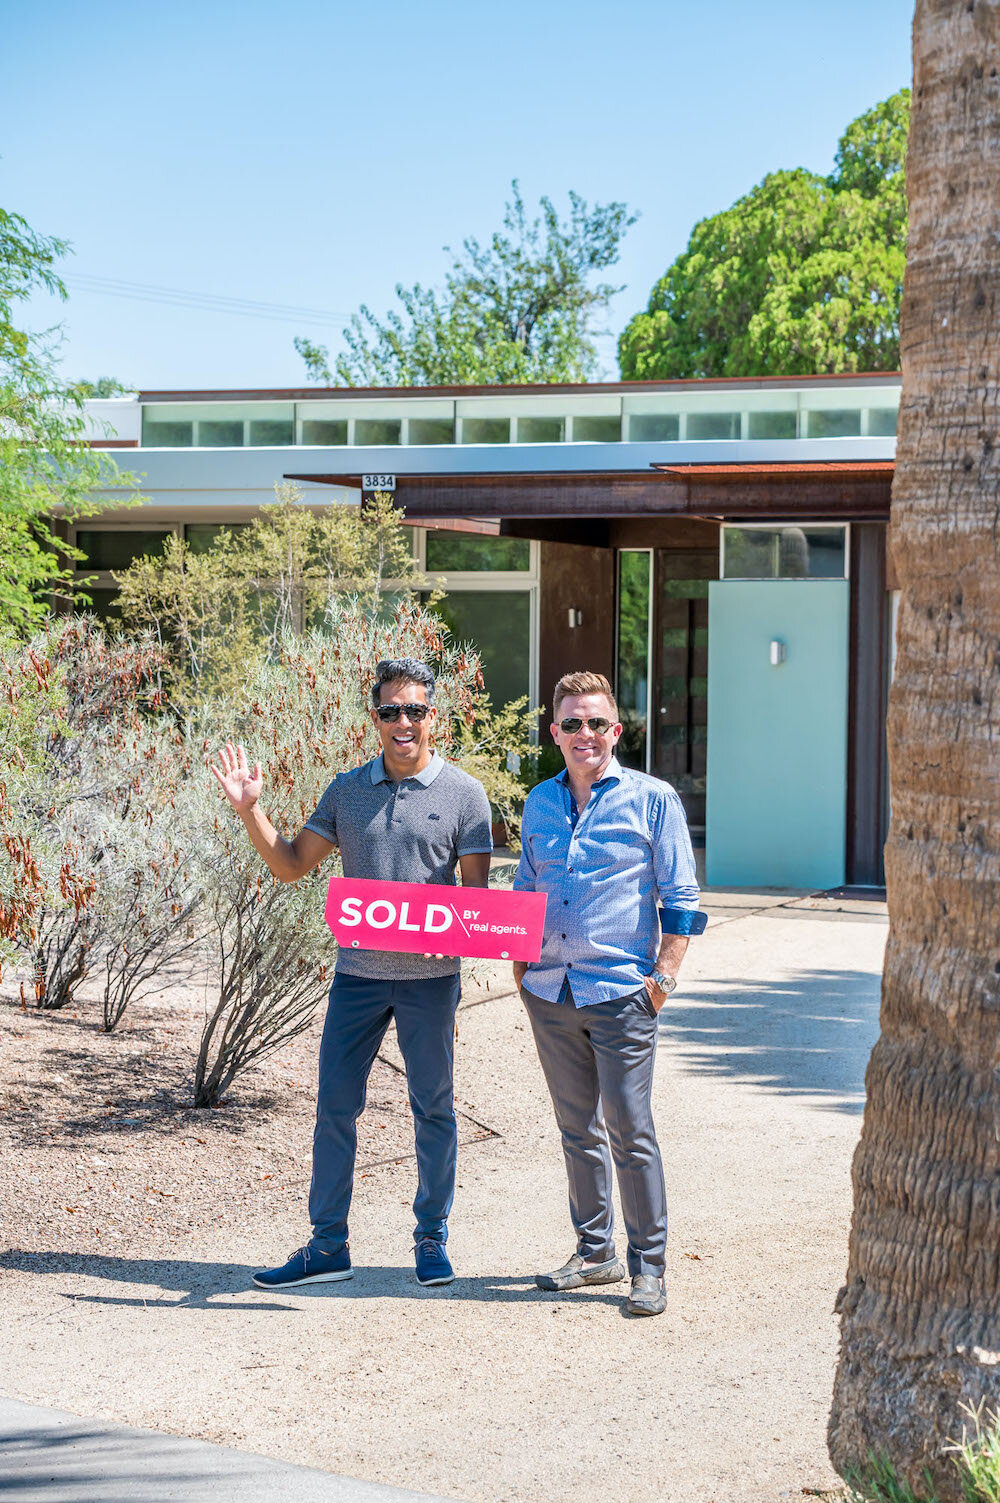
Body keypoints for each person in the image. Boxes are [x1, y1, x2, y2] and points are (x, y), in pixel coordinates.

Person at [211, 657, 492, 1290]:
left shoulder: (464, 795)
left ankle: (431, 1238)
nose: (402, 722)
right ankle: (327, 1246)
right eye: (390, 711)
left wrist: (449, 932)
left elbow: (477, 902)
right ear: (375, 718)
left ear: (432, 717)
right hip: (357, 978)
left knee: (434, 1108)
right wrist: (250, 810)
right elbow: (289, 865)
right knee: (336, 1108)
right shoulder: (346, 790)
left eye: (414, 710)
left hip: (429, 982)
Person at [512, 670, 705, 1317]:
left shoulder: (653, 800)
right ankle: (595, 1253)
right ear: (555, 732)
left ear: (616, 731)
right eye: (572, 723)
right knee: (577, 1129)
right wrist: (522, 970)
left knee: (630, 1129)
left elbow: (682, 898)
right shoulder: (539, 802)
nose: (585, 733)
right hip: (551, 990)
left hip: (623, 992)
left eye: (596, 722)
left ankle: (649, 1268)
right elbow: (525, 888)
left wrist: (663, 979)